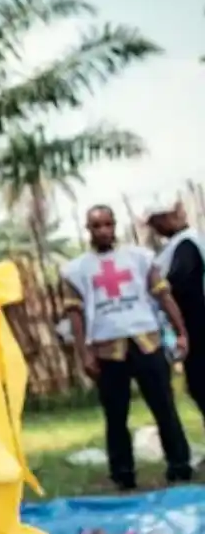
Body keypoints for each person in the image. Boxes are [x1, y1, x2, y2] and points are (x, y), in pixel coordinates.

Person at [62, 205, 192, 490]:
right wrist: (84, 353)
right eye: (96, 225)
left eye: (108, 224)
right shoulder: (75, 270)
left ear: (115, 225)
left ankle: (180, 465)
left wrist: (181, 332)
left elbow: (163, 296)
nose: (103, 230)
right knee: (116, 415)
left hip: (146, 341)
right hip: (107, 348)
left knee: (165, 407)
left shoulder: (140, 258)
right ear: (88, 229)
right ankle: (123, 474)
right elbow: (75, 315)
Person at [146, 201, 205, 425]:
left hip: (197, 325)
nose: (155, 228)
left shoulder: (186, 244)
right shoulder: (178, 245)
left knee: (201, 384)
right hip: (193, 325)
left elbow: (181, 283)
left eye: (157, 221)